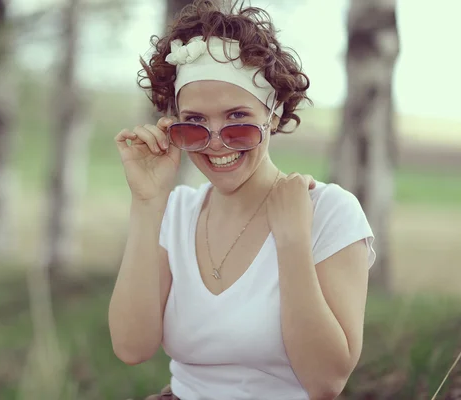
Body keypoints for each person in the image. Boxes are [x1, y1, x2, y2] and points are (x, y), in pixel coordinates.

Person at [108, 1, 376, 399]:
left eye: (237, 118)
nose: (215, 142)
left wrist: (292, 242)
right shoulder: (176, 211)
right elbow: (132, 348)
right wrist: (147, 203)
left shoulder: (329, 212)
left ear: (274, 112)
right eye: (195, 123)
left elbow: (326, 383)